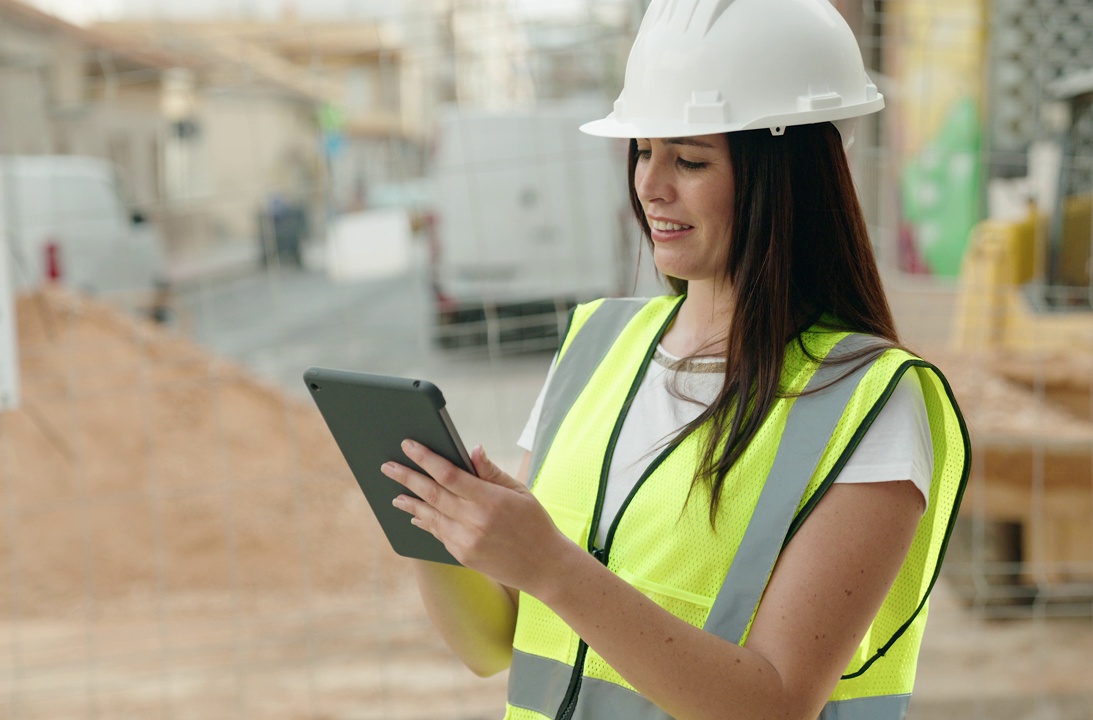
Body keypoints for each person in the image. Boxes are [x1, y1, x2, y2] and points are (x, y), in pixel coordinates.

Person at [379, 1, 969, 718]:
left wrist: (553, 566)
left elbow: (776, 704)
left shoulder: (870, 401)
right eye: (643, 150)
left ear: (786, 178)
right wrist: (433, 521)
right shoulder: (596, 345)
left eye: (689, 159)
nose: (651, 185)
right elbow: (494, 643)